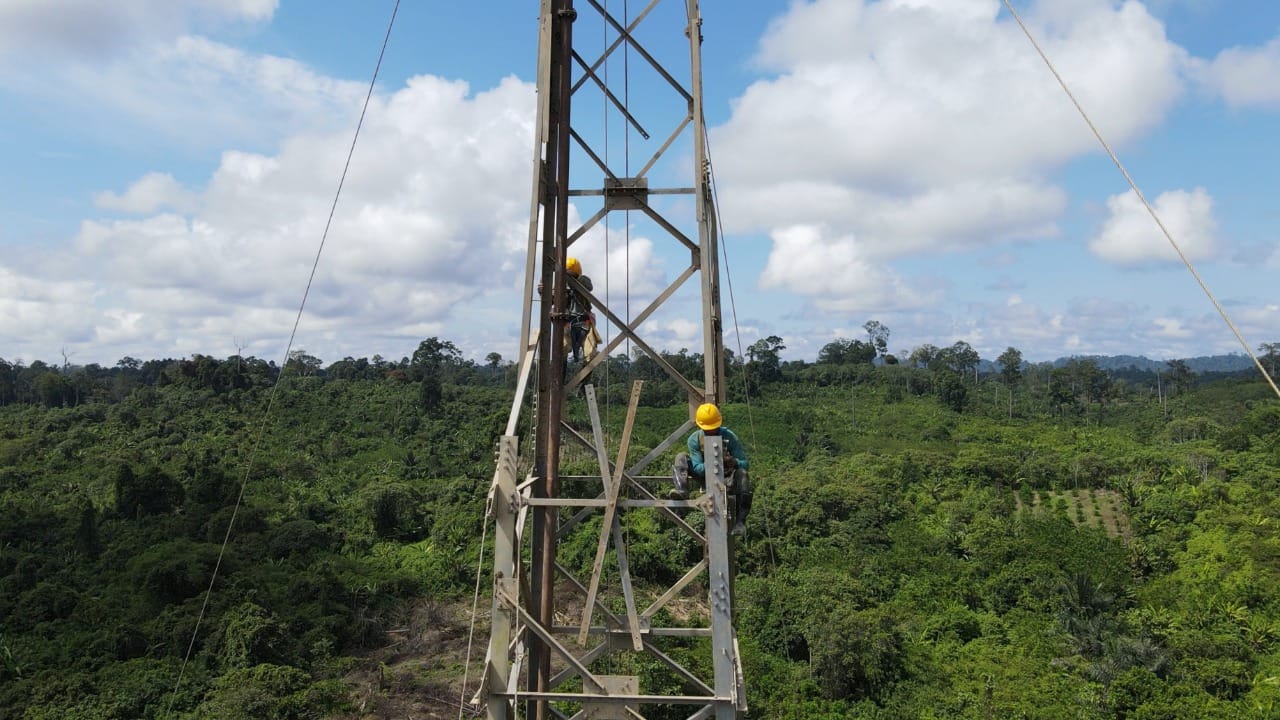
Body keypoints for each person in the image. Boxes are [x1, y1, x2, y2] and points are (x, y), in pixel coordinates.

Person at [669, 403, 752, 535]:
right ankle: (681, 490)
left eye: (714, 429)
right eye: (708, 430)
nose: (712, 432)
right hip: (704, 476)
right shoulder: (695, 439)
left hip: (727, 478)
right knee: (681, 457)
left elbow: (745, 464)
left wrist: (733, 462)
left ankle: (740, 521)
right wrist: (714, 461)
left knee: (743, 474)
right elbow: (697, 468)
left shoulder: (729, 437)